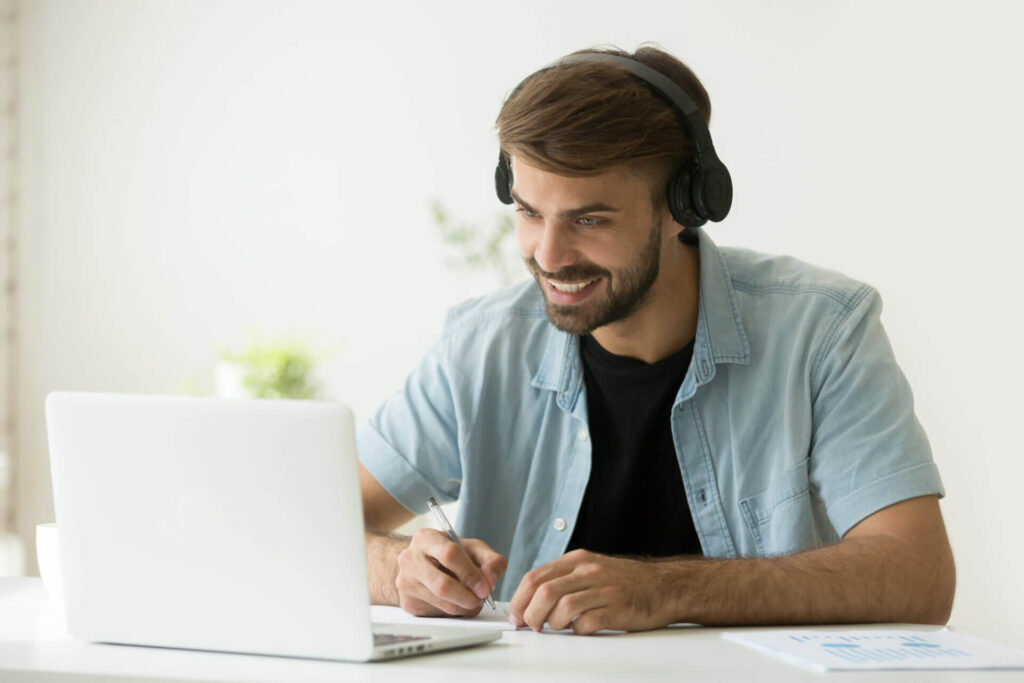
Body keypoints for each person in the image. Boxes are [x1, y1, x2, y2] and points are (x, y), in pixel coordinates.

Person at [357, 45, 955, 635]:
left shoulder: (823, 331)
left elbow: (918, 575)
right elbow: (303, 526)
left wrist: (666, 589)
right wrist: (401, 569)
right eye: (529, 212)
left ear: (683, 207)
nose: (547, 255)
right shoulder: (480, 347)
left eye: (589, 220)